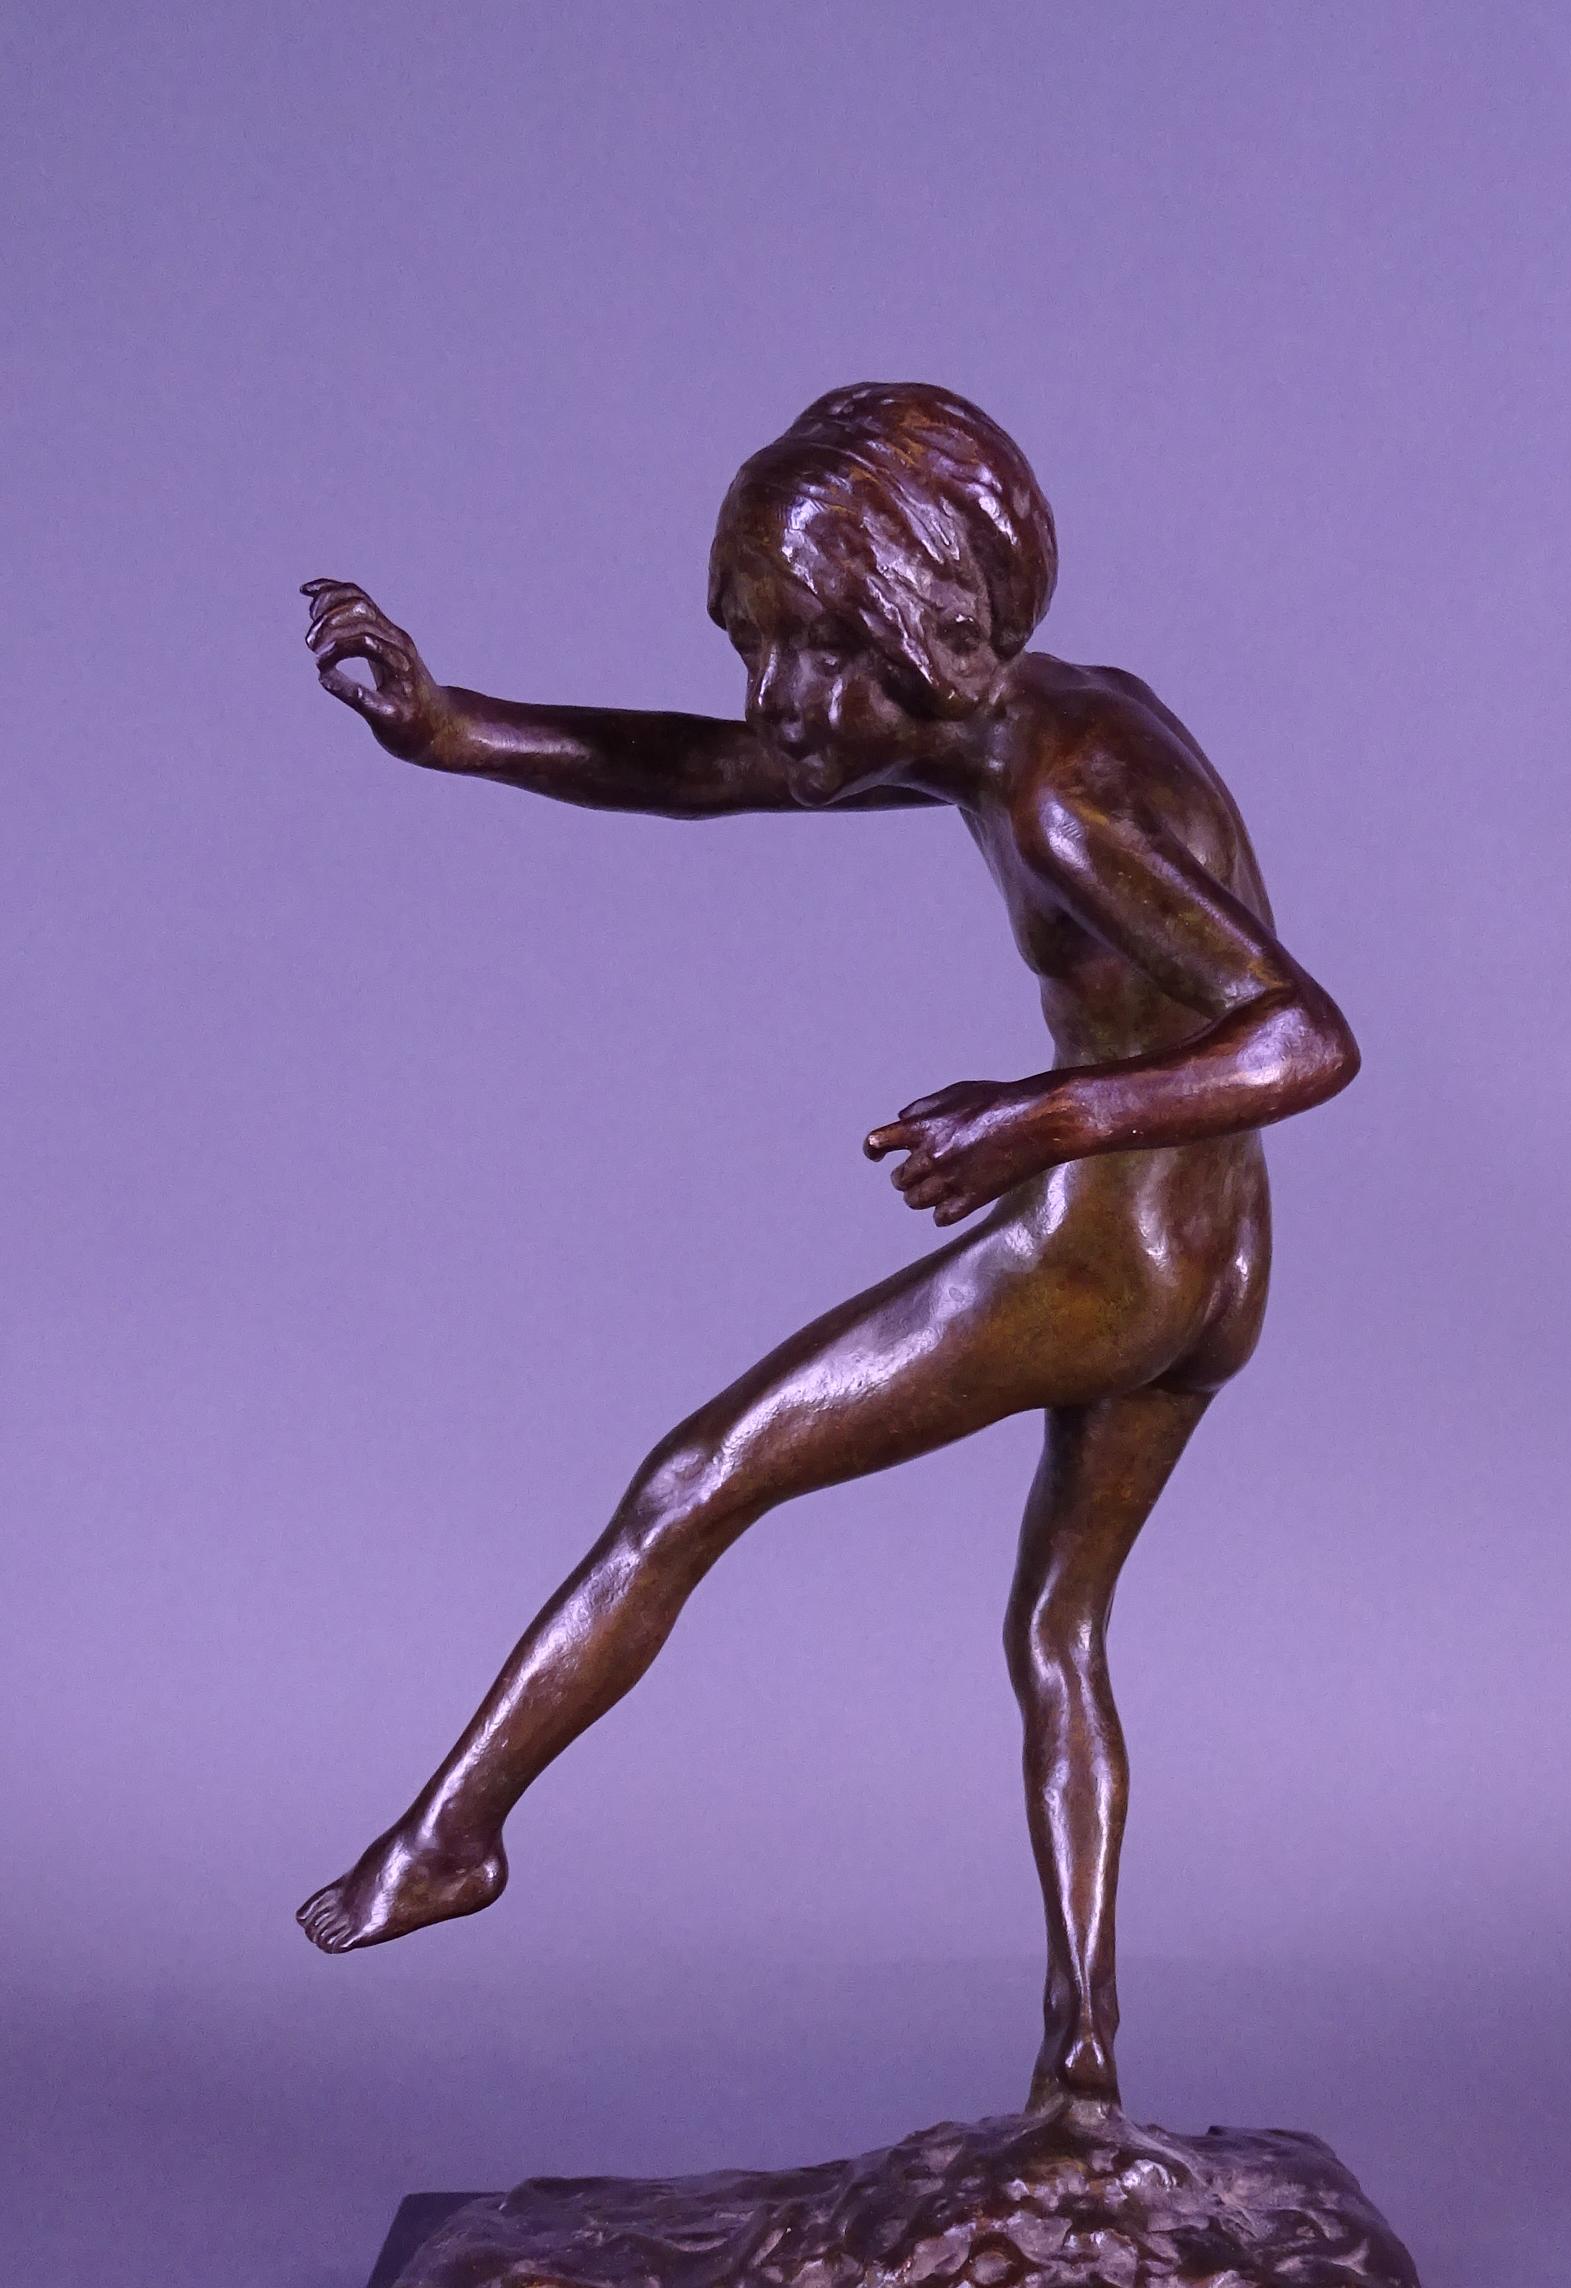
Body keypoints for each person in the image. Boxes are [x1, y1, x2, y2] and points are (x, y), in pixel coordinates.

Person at [296, 382, 1359, 2107]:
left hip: (1107, 1257)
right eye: (752, 642)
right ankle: (1083, 2064)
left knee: (692, 1479)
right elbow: (721, 774)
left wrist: (1043, 1117)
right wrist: (457, 728)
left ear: (933, 629)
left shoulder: (1061, 800)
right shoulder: (1039, 719)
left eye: (813, 650)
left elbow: (1308, 1037)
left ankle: (452, 1839)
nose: (774, 697)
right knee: (1058, 1634)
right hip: (1219, 1262)